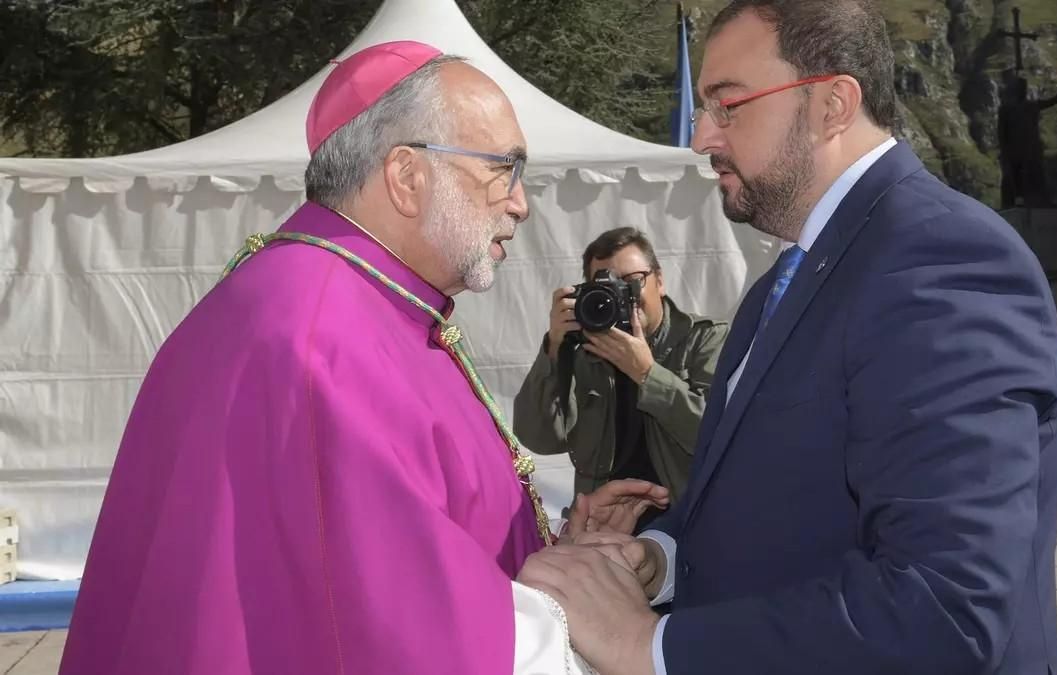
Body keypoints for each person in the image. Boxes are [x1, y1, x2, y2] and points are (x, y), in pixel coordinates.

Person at [58, 41, 664, 675]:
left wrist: (561, 554)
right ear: (407, 177)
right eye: (503, 168)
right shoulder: (322, 340)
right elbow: (397, 629)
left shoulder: (344, 300)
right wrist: (583, 618)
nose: (520, 202)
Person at [516, 2, 1057, 673]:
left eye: (728, 105)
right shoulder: (784, 281)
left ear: (832, 104)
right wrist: (658, 559)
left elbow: (942, 607)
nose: (701, 139)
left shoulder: (942, 263)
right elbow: (784, 509)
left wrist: (649, 644)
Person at [513, 227, 729, 526]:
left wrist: (647, 374)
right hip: (606, 529)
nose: (623, 296)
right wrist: (553, 350)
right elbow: (538, 438)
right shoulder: (583, 352)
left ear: (660, 280)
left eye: (631, 282)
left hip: (689, 525)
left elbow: (718, 434)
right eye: (607, 286)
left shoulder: (703, 340)